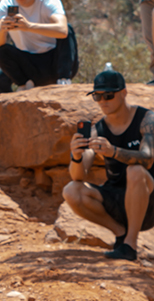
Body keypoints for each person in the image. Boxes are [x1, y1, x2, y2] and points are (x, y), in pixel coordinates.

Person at [63, 68, 154, 261]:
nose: (103, 101)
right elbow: (78, 177)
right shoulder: (98, 129)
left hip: (148, 201)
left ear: (123, 93)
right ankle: (121, 234)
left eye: (109, 95)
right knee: (71, 190)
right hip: (116, 200)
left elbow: (147, 158)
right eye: (98, 96)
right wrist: (76, 155)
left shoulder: (146, 119)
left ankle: (130, 245)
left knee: (135, 170)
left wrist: (113, 151)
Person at [0, 0, 71, 91]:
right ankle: (24, 84)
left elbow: (63, 31)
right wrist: (2, 28)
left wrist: (29, 26)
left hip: (53, 60)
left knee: (69, 29)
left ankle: (64, 78)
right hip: (28, 63)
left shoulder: (48, 0)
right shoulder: (6, 5)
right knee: (0, 52)